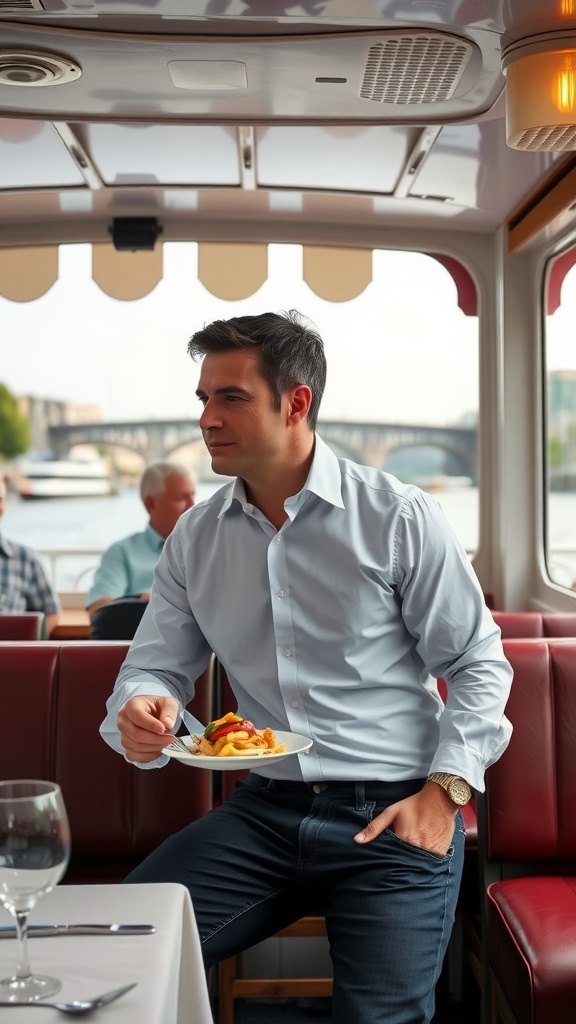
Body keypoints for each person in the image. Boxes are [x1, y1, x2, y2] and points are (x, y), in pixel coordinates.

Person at [100, 310, 513, 1024]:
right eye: (203, 399)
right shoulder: (195, 538)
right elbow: (154, 669)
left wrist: (444, 794)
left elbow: (479, 662)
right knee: (117, 954)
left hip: (395, 810)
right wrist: (141, 707)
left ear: (297, 402)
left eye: (231, 398)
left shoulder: (398, 516)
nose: (207, 419)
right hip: (264, 812)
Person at [86, 460, 196, 622]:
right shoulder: (121, 552)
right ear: (150, 504)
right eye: (181, 498)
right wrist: (145, 601)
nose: (193, 505)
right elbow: (99, 610)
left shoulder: (209, 547)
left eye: (193, 495)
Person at [0, 476, 60, 635]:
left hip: (11, 656)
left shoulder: (25, 558)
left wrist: (27, 649)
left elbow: (51, 612)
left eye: (0, 499)